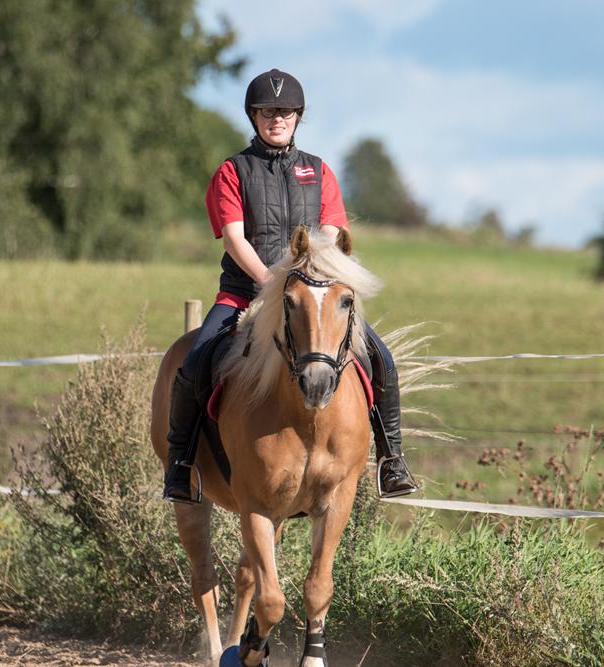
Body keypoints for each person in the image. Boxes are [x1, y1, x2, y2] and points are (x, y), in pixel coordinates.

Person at [163, 68, 417, 503]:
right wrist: (270, 283)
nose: (275, 118)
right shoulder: (233, 171)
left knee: (381, 358)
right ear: (253, 116)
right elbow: (233, 236)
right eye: (266, 111)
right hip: (245, 293)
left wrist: (311, 278)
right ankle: (181, 465)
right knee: (196, 361)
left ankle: (391, 460)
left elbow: (333, 233)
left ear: (298, 116)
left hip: (312, 297)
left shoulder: (319, 172)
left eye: (284, 111)